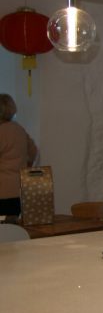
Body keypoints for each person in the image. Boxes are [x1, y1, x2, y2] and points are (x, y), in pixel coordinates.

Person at [0, 94, 38, 222]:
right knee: (12, 230)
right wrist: (25, 168)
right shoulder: (19, 129)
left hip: (1, 191)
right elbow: (33, 151)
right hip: (18, 191)